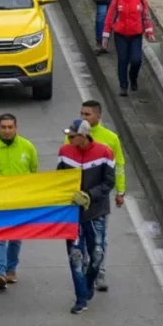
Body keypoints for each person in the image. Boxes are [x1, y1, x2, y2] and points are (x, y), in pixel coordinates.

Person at [64, 100, 125, 292]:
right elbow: (65, 170)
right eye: (81, 114)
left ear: (98, 116)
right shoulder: (70, 139)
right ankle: (83, 271)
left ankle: (99, 273)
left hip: (98, 202)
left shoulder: (110, 139)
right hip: (77, 203)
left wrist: (120, 192)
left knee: (100, 241)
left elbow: (118, 167)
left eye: (87, 114)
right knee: (79, 240)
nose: (83, 117)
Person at [57, 120, 115, 314]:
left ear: (84, 136)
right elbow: (59, 180)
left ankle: (89, 282)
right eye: (69, 136)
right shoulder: (64, 152)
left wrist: (89, 195)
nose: (69, 138)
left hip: (96, 212)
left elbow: (109, 183)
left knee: (97, 254)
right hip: (72, 214)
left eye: (73, 136)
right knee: (75, 256)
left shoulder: (105, 152)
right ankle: (81, 298)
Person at [0, 113, 38, 290]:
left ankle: (11, 269)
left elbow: (33, 172)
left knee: (16, 238)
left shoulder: (28, 147)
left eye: (10, 127)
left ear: (16, 128)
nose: (7, 131)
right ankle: (0, 273)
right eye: (3, 127)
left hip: (20, 202)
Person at [101, 0, 155, 96]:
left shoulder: (140, 0)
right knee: (123, 60)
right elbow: (109, 19)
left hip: (136, 36)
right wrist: (105, 37)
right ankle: (123, 86)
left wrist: (149, 32)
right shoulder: (117, 0)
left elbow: (146, 17)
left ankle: (133, 78)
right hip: (120, 36)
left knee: (136, 60)